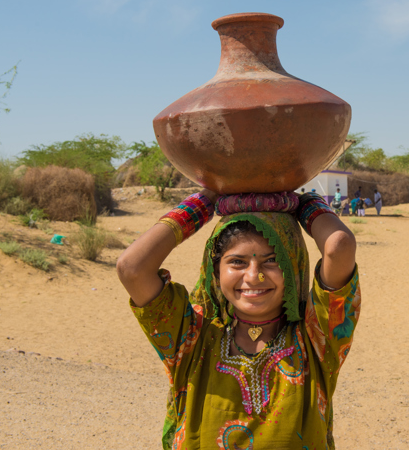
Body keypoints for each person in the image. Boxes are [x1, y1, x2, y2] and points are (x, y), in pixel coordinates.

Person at [117, 189, 360, 449]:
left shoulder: (316, 340)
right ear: (216, 271)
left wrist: (306, 203)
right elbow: (132, 268)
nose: (254, 276)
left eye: (272, 261)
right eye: (237, 262)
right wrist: (205, 201)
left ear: (293, 266)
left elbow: (339, 246)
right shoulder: (191, 340)